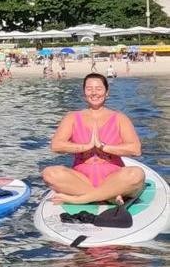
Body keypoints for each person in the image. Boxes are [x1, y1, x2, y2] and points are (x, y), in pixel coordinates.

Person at [41, 73, 144, 204]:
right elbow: (56, 145)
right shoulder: (72, 117)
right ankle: (109, 195)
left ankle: (82, 199)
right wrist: (86, 146)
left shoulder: (119, 118)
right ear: (84, 93)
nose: (94, 93)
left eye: (99, 89)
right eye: (89, 89)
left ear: (107, 92)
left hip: (113, 177)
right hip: (82, 179)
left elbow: (135, 149)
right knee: (49, 173)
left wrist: (103, 146)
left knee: (136, 174)